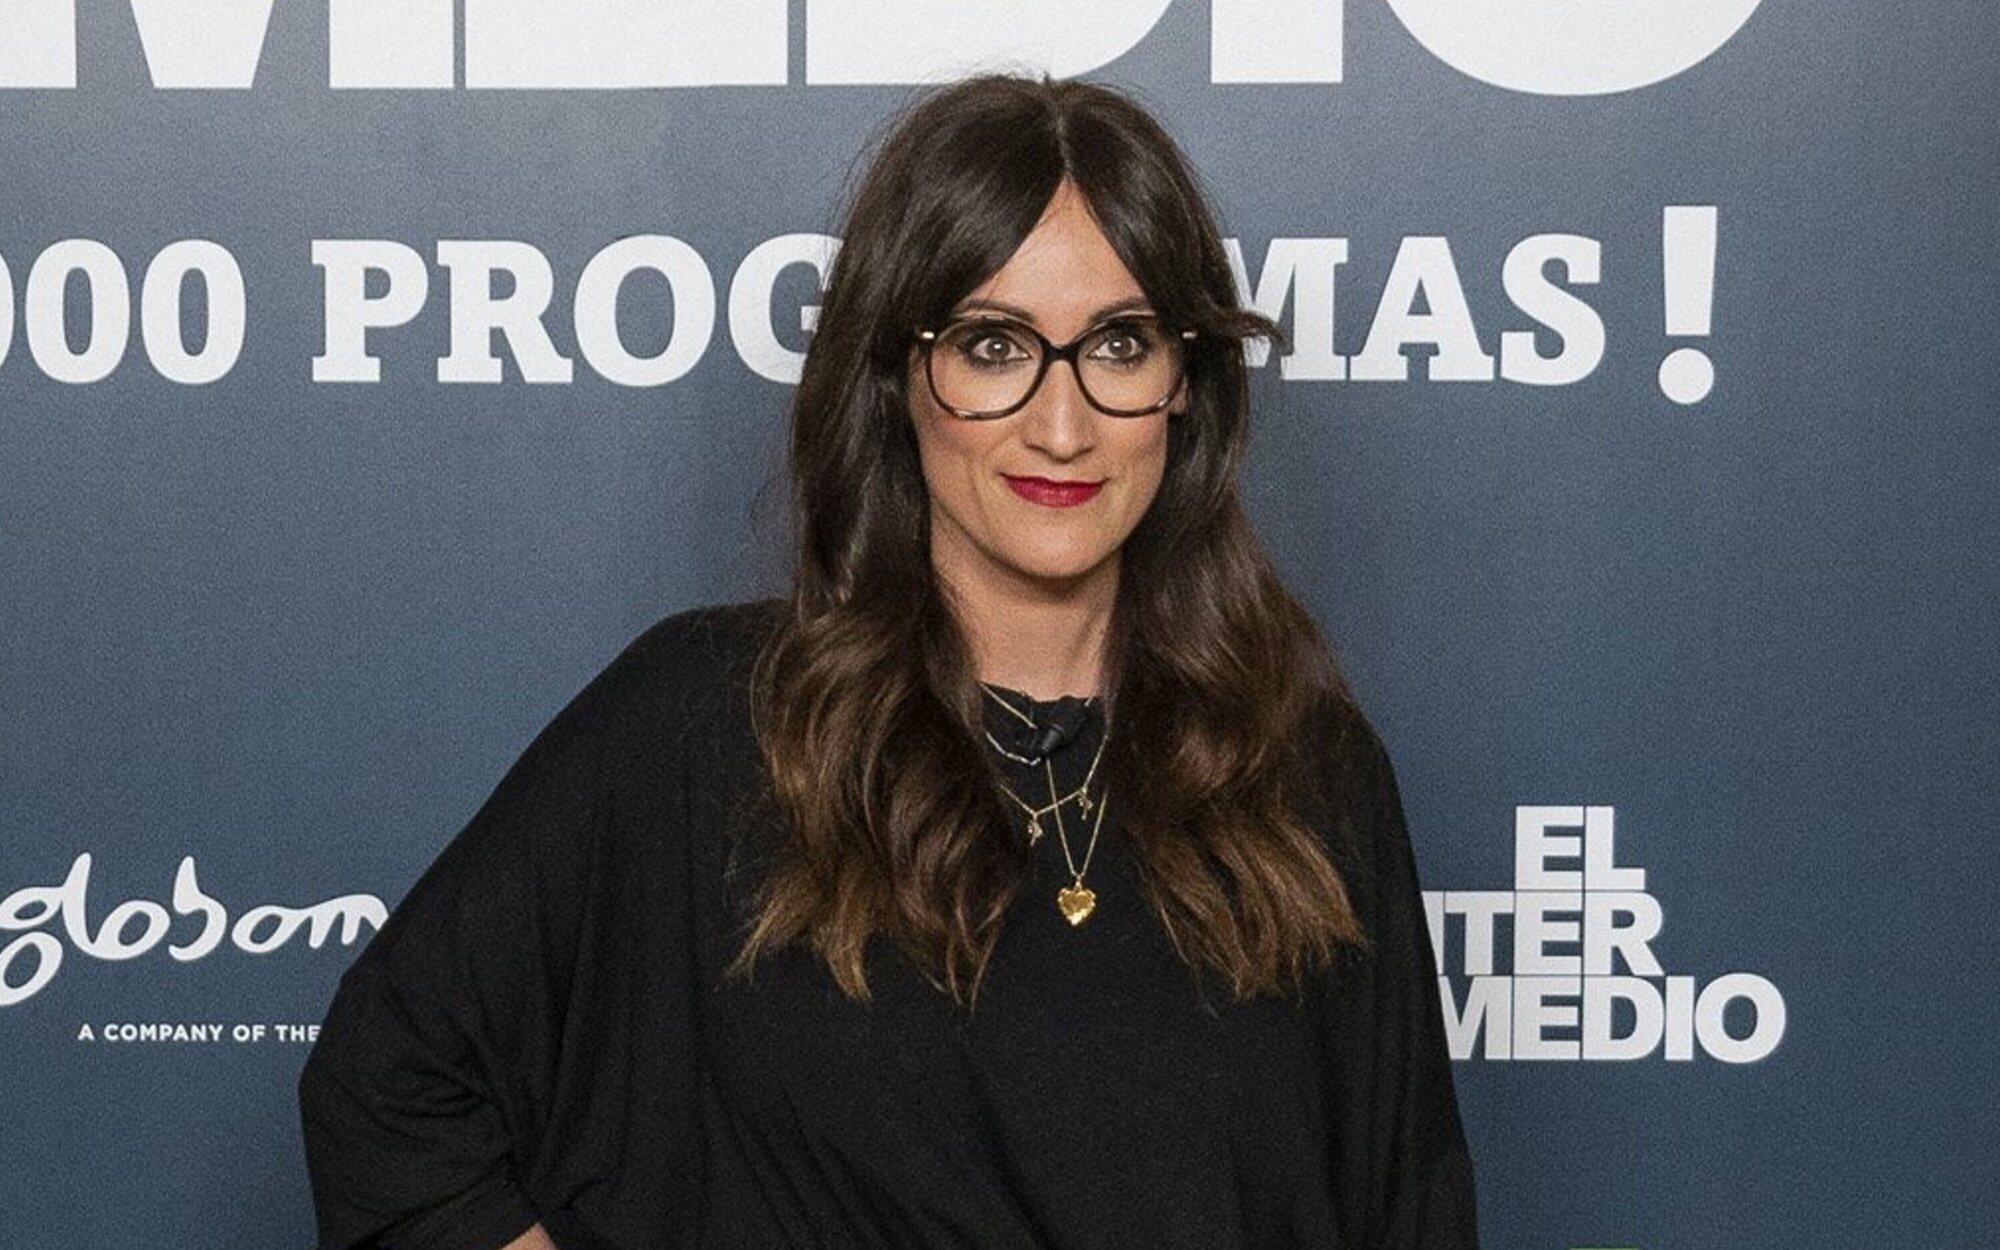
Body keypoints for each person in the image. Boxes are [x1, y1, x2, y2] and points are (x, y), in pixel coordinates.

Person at [298, 73, 1477, 1249]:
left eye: (1118, 344)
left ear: (1183, 384)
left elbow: (1409, 1207)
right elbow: (389, 1084)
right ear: (900, 374)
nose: (1060, 425)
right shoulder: (711, 725)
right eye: (992, 345)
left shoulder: (1307, 771)